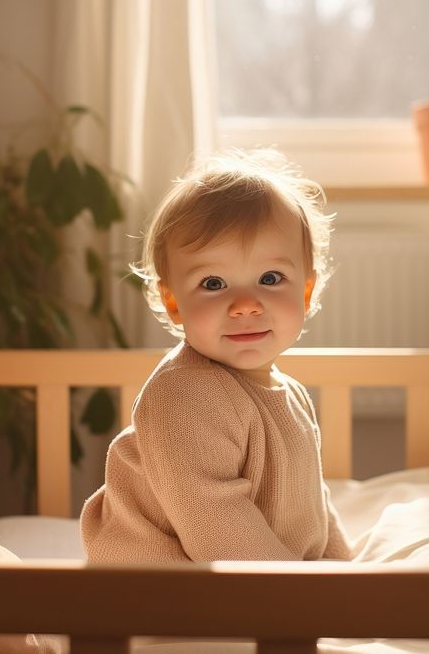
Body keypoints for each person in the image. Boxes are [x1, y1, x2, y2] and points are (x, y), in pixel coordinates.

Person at [80, 148, 352, 563]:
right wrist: (304, 602)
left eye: (270, 278)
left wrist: (348, 575)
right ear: (173, 303)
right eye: (213, 283)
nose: (245, 304)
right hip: (158, 596)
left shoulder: (289, 392)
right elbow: (220, 528)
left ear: (305, 292)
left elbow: (312, 505)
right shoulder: (186, 395)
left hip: (250, 591)